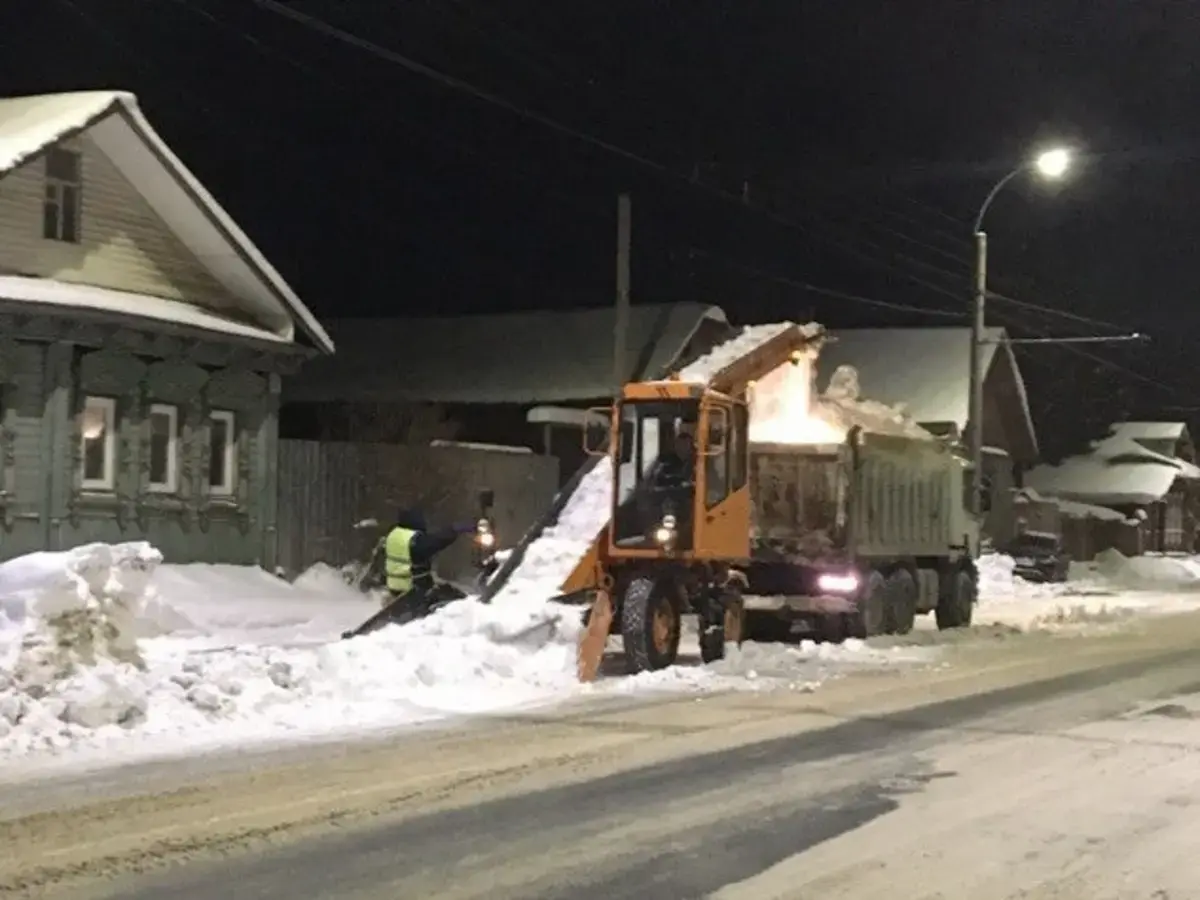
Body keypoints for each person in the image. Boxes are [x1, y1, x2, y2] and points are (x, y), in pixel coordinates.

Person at [384, 508, 476, 611]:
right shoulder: (414, 540)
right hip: (414, 589)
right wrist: (453, 530)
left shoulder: (393, 535)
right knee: (455, 601)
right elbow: (435, 542)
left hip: (395, 587)